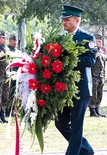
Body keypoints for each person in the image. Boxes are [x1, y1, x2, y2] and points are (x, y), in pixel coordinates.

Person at [55, 5, 96, 155]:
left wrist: (68, 59)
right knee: (60, 123)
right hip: (62, 89)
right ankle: (86, 150)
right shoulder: (60, 39)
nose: (64, 22)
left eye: (67, 20)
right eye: (63, 20)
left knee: (77, 125)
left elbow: (89, 61)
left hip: (80, 88)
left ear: (77, 20)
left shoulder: (87, 38)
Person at [88, 34, 106, 117]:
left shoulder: (102, 52)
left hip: (101, 76)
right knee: (93, 93)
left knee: (100, 93)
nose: (100, 43)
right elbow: (88, 62)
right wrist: (94, 56)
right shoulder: (92, 51)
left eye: (101, 41)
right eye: (99, 41)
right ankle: (92, 111)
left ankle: (97, 110)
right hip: (93, 76)